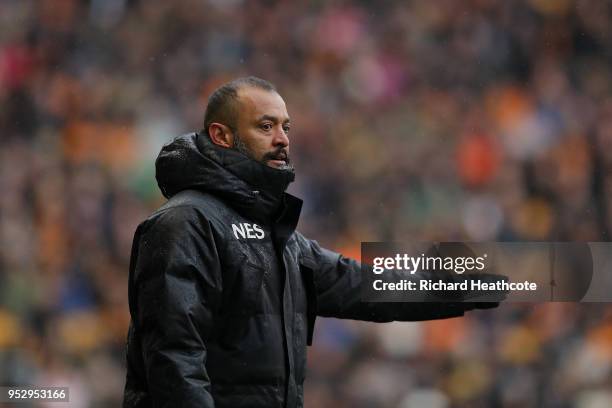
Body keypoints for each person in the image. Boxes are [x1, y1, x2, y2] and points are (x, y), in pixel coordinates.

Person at [122, 76, 498, 408]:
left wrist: (467, 285)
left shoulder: (278, 238)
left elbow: (363, 284)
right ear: (222, 136)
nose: (283, 139)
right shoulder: (186, 222)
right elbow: (175, 360)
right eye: (265, 126)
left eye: (286, 127)